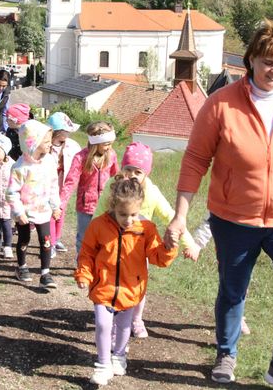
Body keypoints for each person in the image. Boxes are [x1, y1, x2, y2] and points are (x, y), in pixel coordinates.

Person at [166, 20, 273, 390]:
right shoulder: (221, 104)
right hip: (233, 217)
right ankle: (226, 352)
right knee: (233, 289)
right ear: (251, 60)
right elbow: (195, 160)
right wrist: (180, 216)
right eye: (268, 62)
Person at [93, 142, 206, 339]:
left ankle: (136, 319)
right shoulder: (113, 186)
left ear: (147, 173)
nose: (133, 175)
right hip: (112, 245)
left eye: (138, 171)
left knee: (138, 286)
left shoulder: (152, 193)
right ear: (122, 169)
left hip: (139, 248)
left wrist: (190, 244)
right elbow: (98, 215)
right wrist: (92, 241)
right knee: (112, 282)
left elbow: (172, 216)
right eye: (128, 170)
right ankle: (113, 320)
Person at [75, 178, 178, 386]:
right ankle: (103, 365)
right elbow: (86, 253)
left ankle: (119, 355)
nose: (129, 220)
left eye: (133, 214)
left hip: (131, 290)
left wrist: (168, 247)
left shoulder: (146, 229)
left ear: (140, 207)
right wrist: (84, 275)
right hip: (103, 287)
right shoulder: (98, 226)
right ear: (113, 206)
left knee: (123, 327)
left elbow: (158, 257)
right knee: (103, 325)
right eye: (123, 214)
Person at [6, 119, 62, 289]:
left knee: (46, 240)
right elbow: (11, 192)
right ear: (33, 143)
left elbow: (53, 185)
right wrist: (18, 212)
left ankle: (45, 273)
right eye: (45, 141)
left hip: (43, 210)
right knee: (24, 239)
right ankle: (21, 267)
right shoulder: (20, 167)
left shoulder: (50, 161)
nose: (49, 144)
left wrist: (55, 206)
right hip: (25, 211)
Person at [60, 121, 119, 255]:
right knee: (83, 238)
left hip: (106, 205)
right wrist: (61, 204)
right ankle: (81, 266)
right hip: (86, 206)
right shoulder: (81, 158)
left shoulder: (112, 155)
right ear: (95, 143)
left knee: (103, 238)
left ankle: (99, 265)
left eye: (111, 143)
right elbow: (70, 182)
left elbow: (117, 177)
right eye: (106, 144)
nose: (109, 147)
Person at [46, 111, 82, 257]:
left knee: (61, 212)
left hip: (65, 184)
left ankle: (57, 238)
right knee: (50, 214)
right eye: (66, 131)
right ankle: (51, 242)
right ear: (57, 132)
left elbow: (78, 164)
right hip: (48, 186)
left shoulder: (72, 146)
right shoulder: (44, 145)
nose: (68, 134)